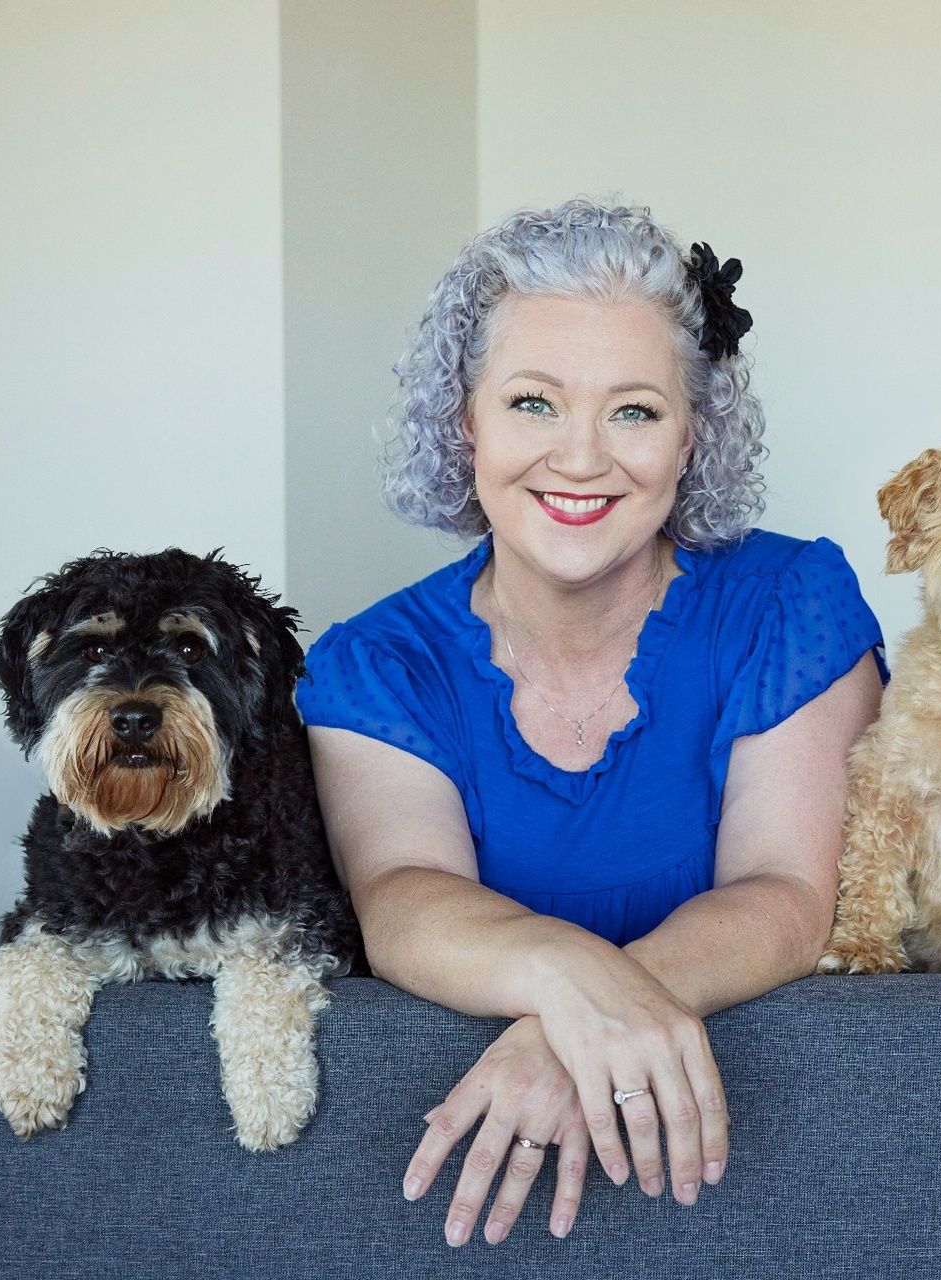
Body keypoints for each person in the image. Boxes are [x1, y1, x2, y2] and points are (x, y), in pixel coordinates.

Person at [296, 199, 886, 1246]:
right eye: (533, 401)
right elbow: (400, 900)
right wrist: (579, 988)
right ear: (463, 420)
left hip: (780, 1202)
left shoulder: (795, 603)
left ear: (692, 435)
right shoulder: (374, 665)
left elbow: (790, 894)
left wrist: (574, 1032)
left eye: (634, 411)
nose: (581, 458)